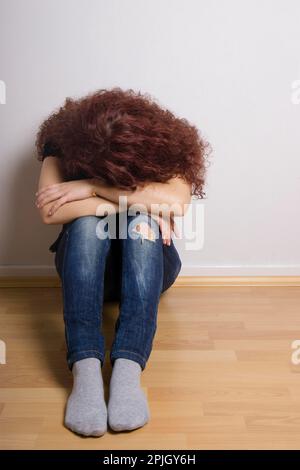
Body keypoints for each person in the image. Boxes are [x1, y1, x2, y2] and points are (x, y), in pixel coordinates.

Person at [35, 88, 209, 437]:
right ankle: (85, 368)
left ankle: (127, 369)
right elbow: (51, 212)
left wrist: (90, 188)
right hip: (85, 275)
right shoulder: (59, 149)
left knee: (138, 226)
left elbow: (177, 205)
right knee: (88, 223)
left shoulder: (166, 149)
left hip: (150, 270)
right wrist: (138, 200)